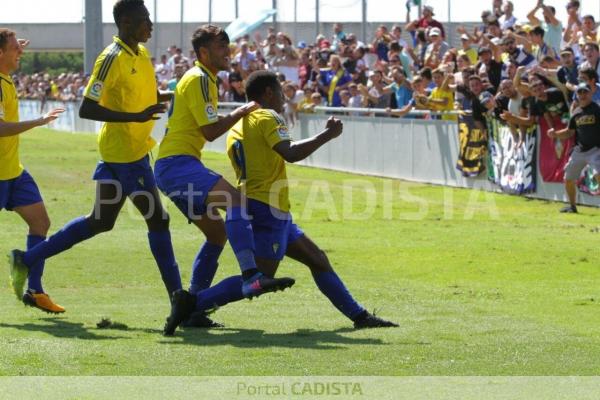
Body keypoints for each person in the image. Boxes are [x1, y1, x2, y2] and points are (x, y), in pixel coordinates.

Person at [164, 71, 398, 335]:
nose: (284, 99)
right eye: (281, 92)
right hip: (267, 208)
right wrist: (327, 135)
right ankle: (193, 303)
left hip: (264, 205)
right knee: (259, 279)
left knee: (317, 259)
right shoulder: (268, 116)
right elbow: (291, 153)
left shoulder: (238, 125)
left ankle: (360, 316)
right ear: (268, 93)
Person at [8, 0, 183, 311]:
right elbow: (87, 107)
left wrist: (175, 95)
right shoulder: (111, 58)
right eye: (145, 19)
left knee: (100, 221)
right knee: (158, 220)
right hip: (125, 154)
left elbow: (142, 97)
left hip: (130, 150)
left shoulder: (140, 54)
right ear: (126, 22)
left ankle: (27, 258)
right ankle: (179, 301)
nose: (151, 25)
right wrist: (136, 117)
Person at [154, 24, 295, 328]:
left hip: (171, 166)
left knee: (217, 235)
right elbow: (210, 130)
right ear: (203, 52)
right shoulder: (202, 78)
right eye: (221, 47)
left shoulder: (196, 78)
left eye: (228, 45)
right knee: (237, 203)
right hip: (178, 164)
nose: (228, 51)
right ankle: (250, 274)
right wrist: (240, 112)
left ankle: (192, 307)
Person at [0, 29, 65, 312]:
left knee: (40, 224)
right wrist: (37, 122)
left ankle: (35, 291)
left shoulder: (6, 77)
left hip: (13, 172)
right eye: (16, 48)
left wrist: (14, 45)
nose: (21, 52)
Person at [548, 83, 600, 213]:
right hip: (580, 151)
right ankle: (572, 206)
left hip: (596, 149)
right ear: (576, 95)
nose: (582, 95)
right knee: (568, 179)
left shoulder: (597, 109)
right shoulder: (576, 113)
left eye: (585, 92)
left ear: (590, 93)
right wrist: (555, 134)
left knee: (599, 175)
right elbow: (569, 132)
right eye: (580, 93)